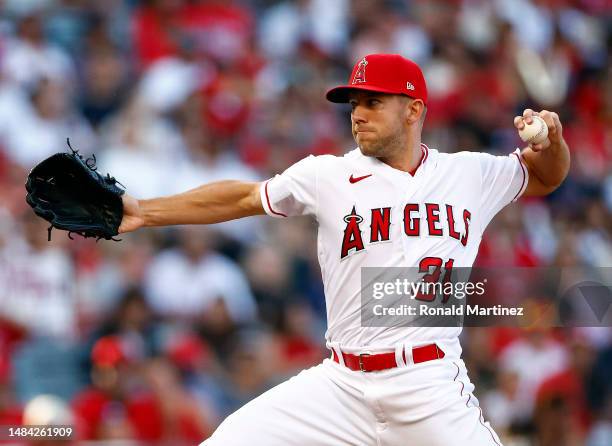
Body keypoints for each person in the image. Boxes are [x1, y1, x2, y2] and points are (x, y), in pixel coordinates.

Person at [119, 54, 570, 445]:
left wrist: (552, 140)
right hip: (341, 384)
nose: (358, 114)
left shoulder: (469, 174)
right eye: (354, 104)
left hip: (427, 384)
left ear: (413, 109)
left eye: (373, 102)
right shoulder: (327, 175)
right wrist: (145, 211)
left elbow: (547, 176)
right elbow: (242, 197)